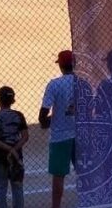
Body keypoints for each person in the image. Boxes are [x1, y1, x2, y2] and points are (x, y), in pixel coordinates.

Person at [39, 50, 77, 208]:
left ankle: (56, 206)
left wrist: (48, 121)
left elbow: (43, 114)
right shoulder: (82, 82)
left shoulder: (54, 84)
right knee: (85, 173)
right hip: (80, 135)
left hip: (60, 136)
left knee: (58, 176)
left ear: (61, 66)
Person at [0, 86, 28, 208]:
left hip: (0, 157)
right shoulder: (19, 115)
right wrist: (13, 149)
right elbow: (25, 136)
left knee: (1, 189)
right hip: (16, 158)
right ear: (13, 101)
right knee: (17, 188)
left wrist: (7, 149)